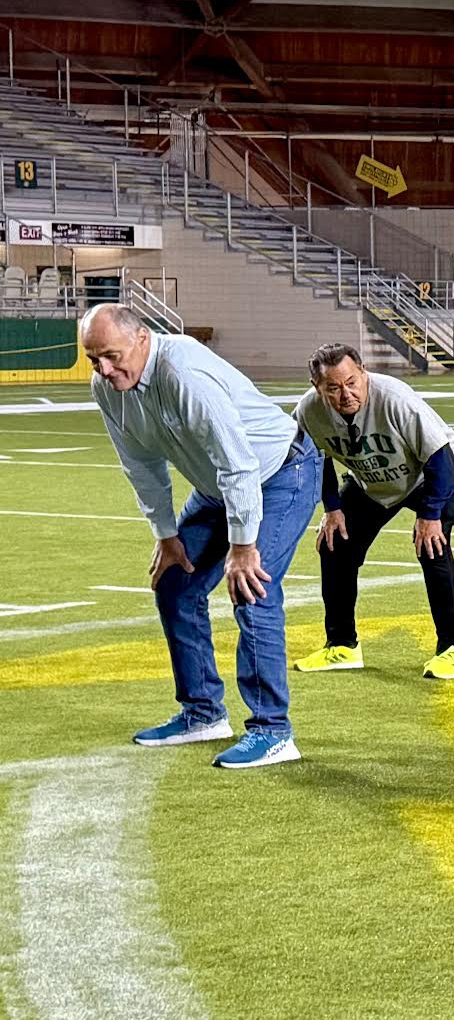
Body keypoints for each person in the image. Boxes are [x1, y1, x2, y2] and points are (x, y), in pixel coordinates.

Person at [81, 303, 320, 769]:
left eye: (111, 356)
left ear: (142, 338)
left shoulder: (182, 372)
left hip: (279, 473)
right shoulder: (107, 388)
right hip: (216, 486)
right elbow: (141, 465)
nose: (104, 370)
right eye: (94, 360)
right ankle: (203, 713)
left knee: (253, 590)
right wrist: (167, 534)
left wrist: (243, 547)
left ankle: (273, 731)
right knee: (175, 583)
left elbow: (239, 462)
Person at [292, 343, 454, 680]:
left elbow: (440, 457)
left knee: (433, 548)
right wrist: (332, 509)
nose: (345, 394)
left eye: (351, 382)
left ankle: (452, 650)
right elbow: (313, 461)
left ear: (363, 373)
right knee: (335, 544)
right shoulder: (308, 411)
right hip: (373, 481)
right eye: (333, 387)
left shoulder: (393, 397)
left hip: (430, 475)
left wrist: (431, 515)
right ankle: (342, 645)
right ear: (318, 388)